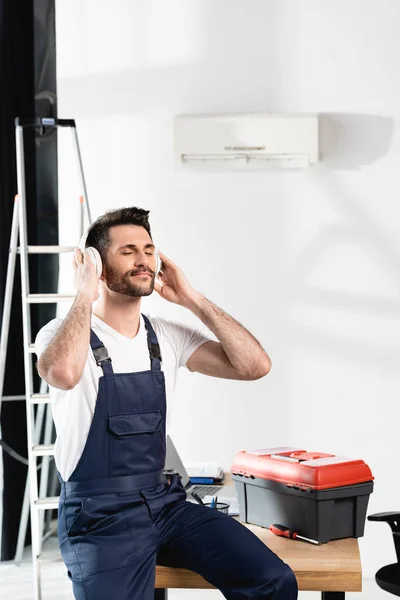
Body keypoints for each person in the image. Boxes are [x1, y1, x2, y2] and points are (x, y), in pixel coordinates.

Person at [35, 207, 297, 600]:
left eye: (148, 249)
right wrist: (84, 294)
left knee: (272, 580)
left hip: (165, 504)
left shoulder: (166, 337)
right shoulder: (62, 333)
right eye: (128, 251)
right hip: (98, 518)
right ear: (97, 265)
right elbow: (62, 374)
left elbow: (255, 366)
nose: (143, 259)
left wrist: (191, 299)